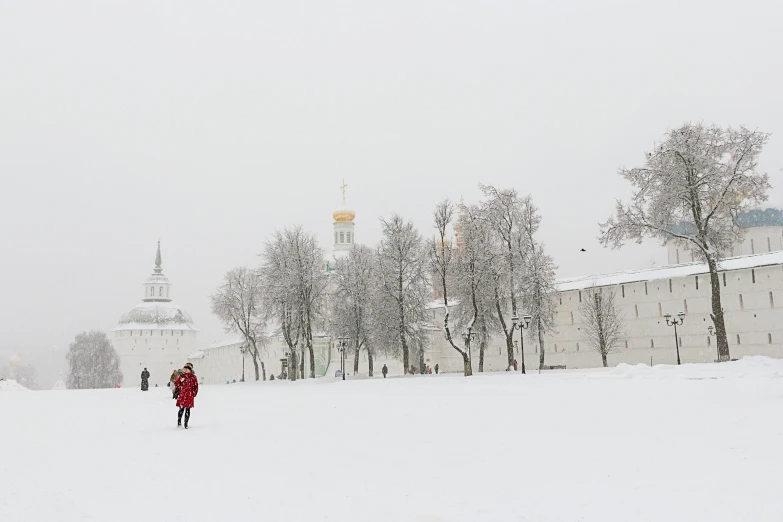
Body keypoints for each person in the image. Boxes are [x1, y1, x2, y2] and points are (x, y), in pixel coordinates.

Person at [175, 363, 199, 429]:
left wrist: (194, 393)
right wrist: (180, 381)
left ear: (189, 369)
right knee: (181, 409)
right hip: (182, 395)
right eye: (184, 369)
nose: (185, 370)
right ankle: (179, 422)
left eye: (186, 369)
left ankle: (186, 424)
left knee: (188, 410)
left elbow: (196, 386)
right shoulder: (182, 376)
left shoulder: (193, 377)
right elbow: (176, 384)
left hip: (189, 396)